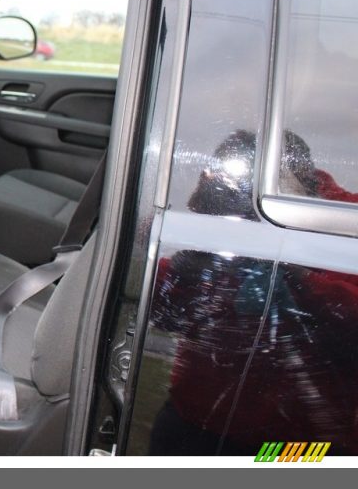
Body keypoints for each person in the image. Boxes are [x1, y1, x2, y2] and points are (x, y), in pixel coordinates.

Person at [149, 130, 358, 455]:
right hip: (194, 421)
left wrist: (299, 279)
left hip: (300, 444)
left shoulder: (346, 222)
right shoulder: (224, 218)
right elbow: (165, 314)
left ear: (301, 179)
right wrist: (188, 266)